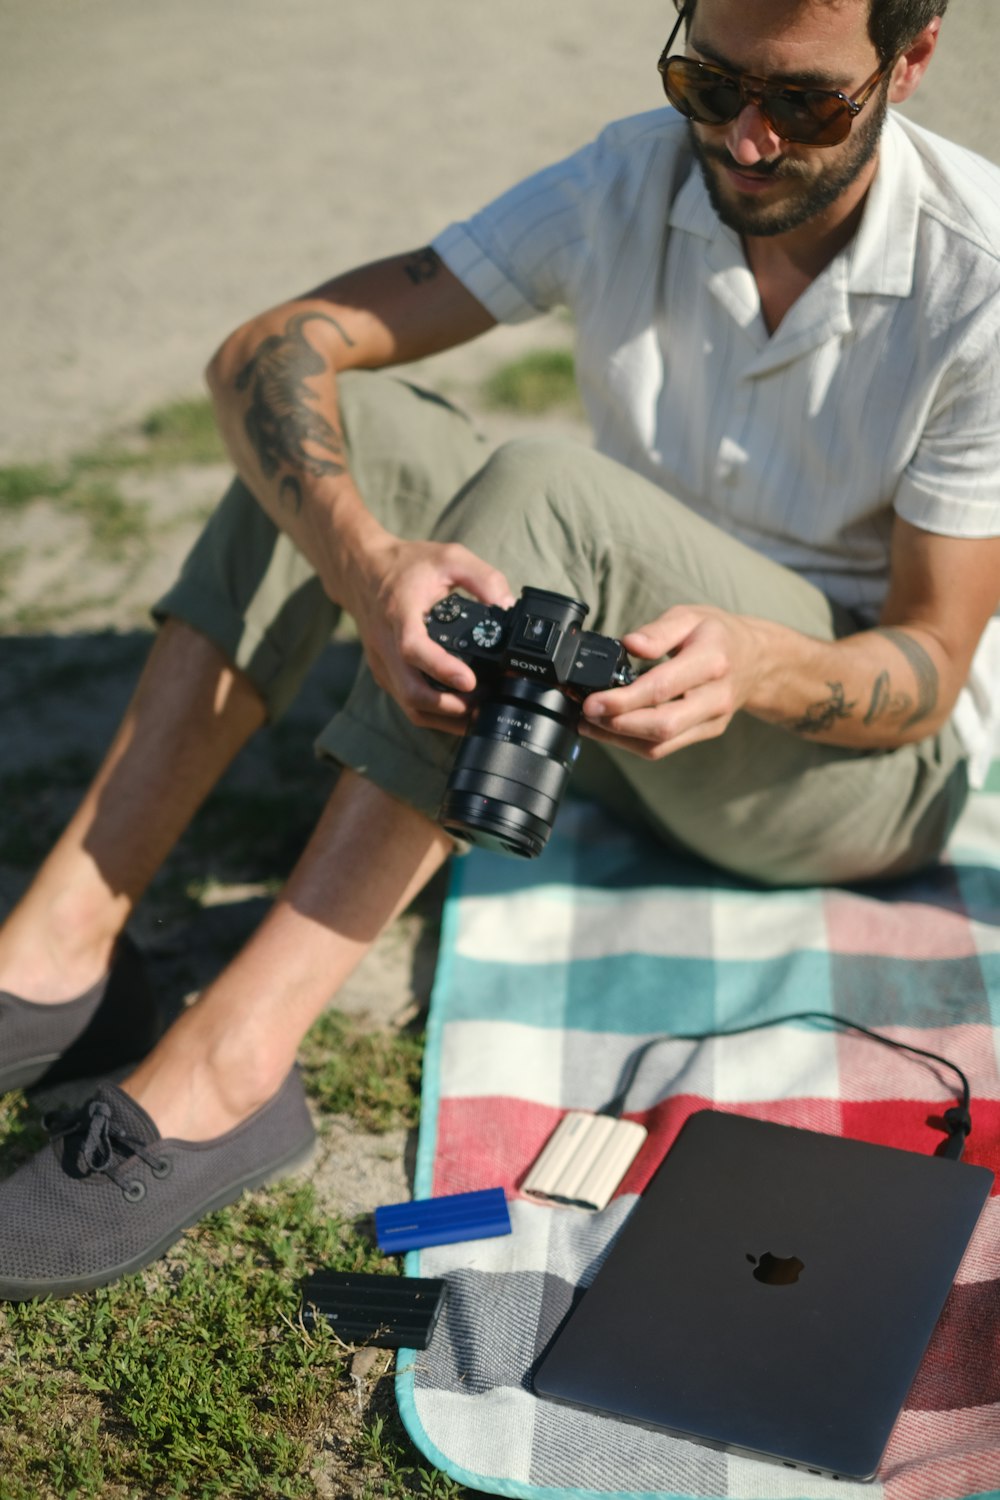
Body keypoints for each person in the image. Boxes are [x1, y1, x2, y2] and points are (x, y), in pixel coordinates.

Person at [0, 0, 998, 1299]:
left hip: (845, 771)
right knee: (345, 420)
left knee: (544, 490)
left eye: (802, 104)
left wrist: (757, 668)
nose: (744, 140)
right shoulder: (632, 173)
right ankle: (60, 955)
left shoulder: (974, 273)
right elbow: (270, 349)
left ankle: (234, 1067)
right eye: (710, 80)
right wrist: (371, 567)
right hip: (614, 705)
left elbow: (925, 673)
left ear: (909, 62)